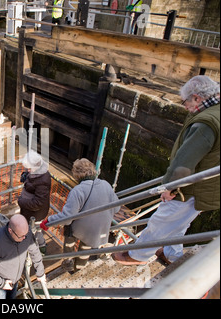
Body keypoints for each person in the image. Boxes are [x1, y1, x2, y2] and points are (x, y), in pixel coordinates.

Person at [113, 75, 220, 266]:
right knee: (180, 222)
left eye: (184, 101)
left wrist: (169, 187)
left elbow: (184, 162)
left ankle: (138, 256)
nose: (184, 106)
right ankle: (172, 254)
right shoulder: (216, 112)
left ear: (196, 98)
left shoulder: (206, 123)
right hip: (209, 186)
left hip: (192, 188)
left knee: (162, 221)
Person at [40, 158, 120, 272]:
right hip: (98, 230)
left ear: (76, 174)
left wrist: (49, 221)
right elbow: (117, 208)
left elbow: (67, 218)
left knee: (69, 235)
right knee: (85, 249)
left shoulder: (78, 190)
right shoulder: (106, 185)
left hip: (81, 228)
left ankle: (68, 261)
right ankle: (79, 269)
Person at [0, 214, 46, 299]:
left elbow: (34, 251)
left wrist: (40, 272)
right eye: (21, 236)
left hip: (15, 280)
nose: (24, 238)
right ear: (10, 230)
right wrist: (2, 283)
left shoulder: (26, 233)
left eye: (26, 235)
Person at [17, 150, 51, 253]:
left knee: (35, 231)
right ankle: (37, 245)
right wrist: (25, 175)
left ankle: (41, 246)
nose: (28, 169)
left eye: (29, 168)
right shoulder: (37, 172)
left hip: (35, 213)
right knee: (32, 230)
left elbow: (38, 203)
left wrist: (21, 202)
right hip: (29, 211)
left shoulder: (42, 182)